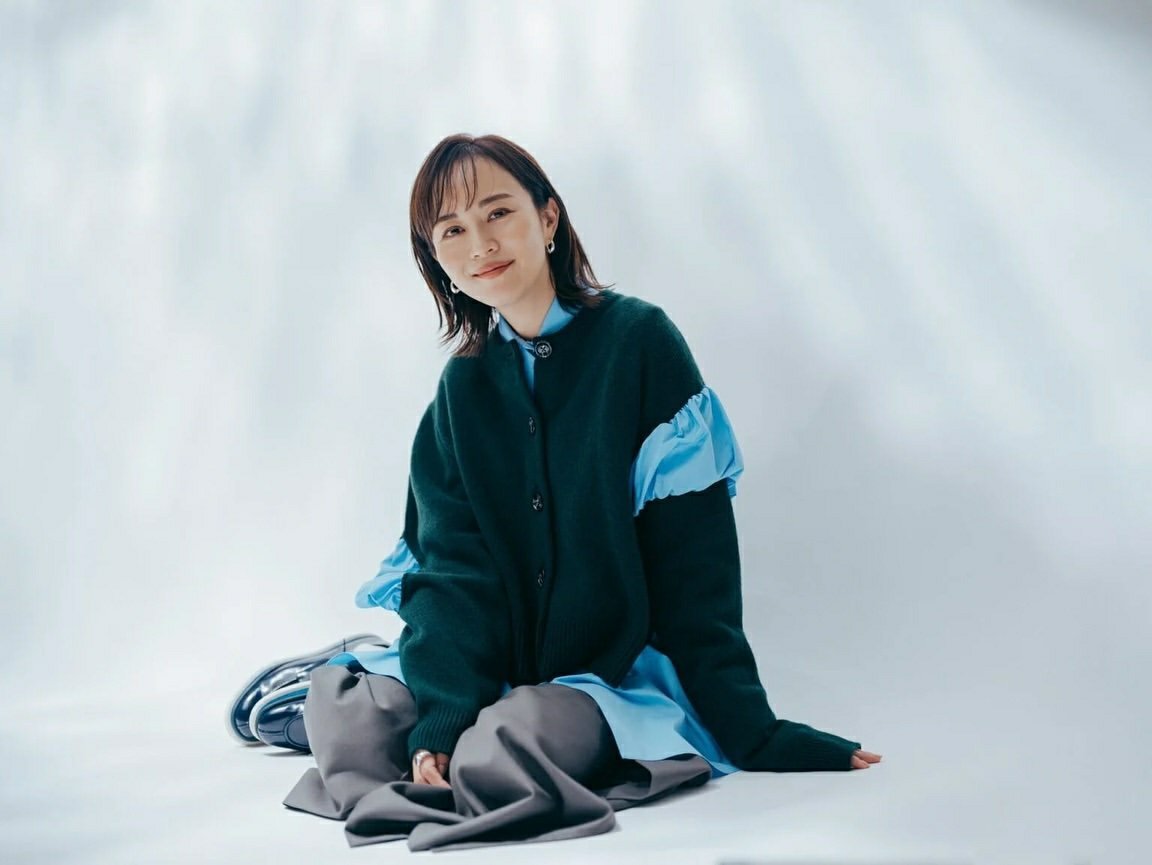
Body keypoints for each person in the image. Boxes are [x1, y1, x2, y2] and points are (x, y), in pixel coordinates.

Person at [242, 133, 881, 852]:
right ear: (437, 261)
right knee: (346, 707)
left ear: (547, 218)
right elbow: (451, 576)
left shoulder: (638, 343)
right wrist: (442, 717)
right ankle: (376, 721)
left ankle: (448, 766)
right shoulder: (459, 392)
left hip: (605, 677)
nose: (481, 244)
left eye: (498, 213)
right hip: (492, 665)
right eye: (452, 231)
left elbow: (695, 566)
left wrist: (754, 732)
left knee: (508, 745)